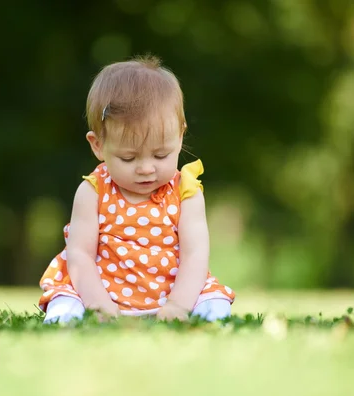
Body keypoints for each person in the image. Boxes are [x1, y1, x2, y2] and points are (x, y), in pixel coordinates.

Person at [38, 55, 235, 324]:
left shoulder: (186, 193)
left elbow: (195, 255)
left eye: (161, 155)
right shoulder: (93, 192)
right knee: (65, 302)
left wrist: (178, 304)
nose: (146, 168)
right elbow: (80, 255)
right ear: (97, 145)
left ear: (180, 136)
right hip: (99, 289)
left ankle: (199, 315)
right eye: (129, 158)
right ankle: (70, 317)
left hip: (175, 291)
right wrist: (98, 304)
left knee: (214, 304)